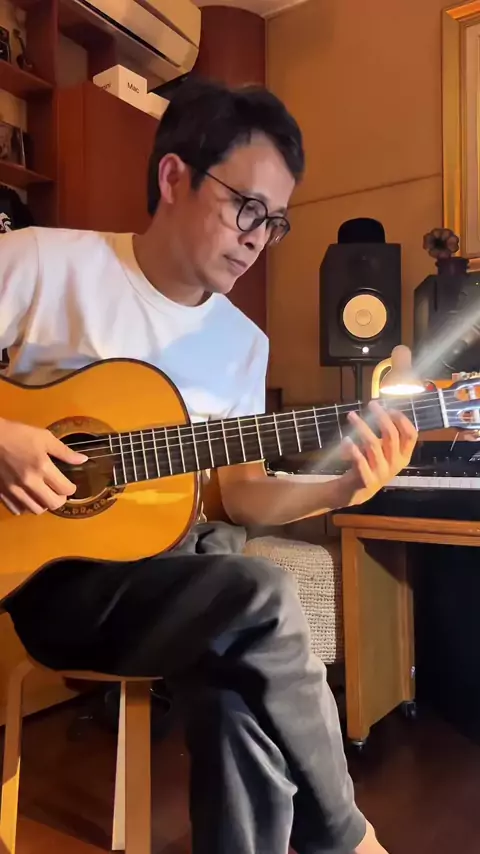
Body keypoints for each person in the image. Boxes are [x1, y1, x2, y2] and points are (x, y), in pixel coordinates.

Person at [0, 79, 416, 854]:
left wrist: (340, 487)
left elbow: (240, 496)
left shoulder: (242, 344)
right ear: (173, 177)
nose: (258, 237)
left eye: (275, 221)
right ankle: (345, 837)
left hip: (187, 575)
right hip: (57, 583)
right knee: (259, 594)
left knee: (239, 682)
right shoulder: (40, 265)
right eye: (247, 207)